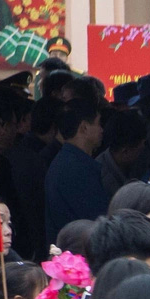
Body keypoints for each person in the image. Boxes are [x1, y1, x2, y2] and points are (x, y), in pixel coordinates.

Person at [44, 95, 109, 240]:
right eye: (98, 124)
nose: (101, 130)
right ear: (84, 127)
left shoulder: (66, 161)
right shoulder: (75, 169)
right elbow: (96, 219)